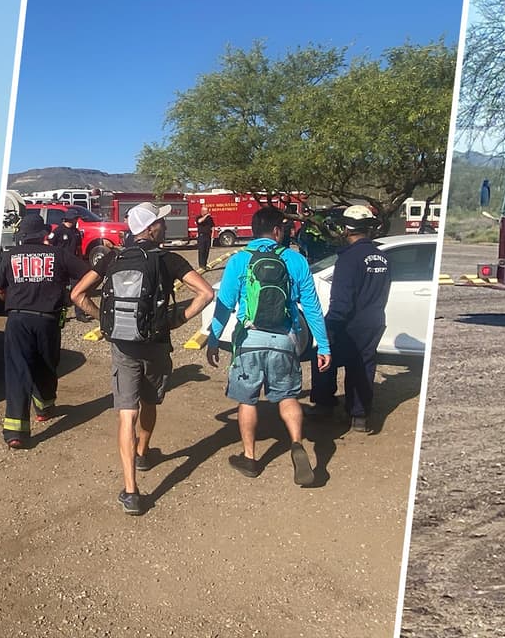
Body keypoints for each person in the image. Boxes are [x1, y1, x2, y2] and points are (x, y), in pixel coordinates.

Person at [71, 202, 215, 516]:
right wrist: (176, 320)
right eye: (160, 223)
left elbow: (77, 295)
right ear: (150, 229)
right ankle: (143, 451)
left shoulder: (113, 257)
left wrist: (104, 323)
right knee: (149, 403)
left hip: (122, 345)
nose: (164, 226)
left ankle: (131, 491)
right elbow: (206, 292)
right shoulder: (167, 259)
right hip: (156, 343)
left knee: (126, 414)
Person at [205, 206, 331, 487]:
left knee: (247, 400)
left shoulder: (239, 260)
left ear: (253, 230)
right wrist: (323, 345)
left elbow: (223, 305)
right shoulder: (295, 260)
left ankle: (250, 458)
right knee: (288, 397)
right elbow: (311, 307)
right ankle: (297, 444)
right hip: (285, 340)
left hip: (249, 340)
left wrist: (213, 339)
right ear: (277, 231)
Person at [0, 214, 93, 449]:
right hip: (47, 320)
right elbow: (89, 273)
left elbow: (0, 289)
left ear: (22, 236)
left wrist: (13, 301)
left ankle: (15, 432)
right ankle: (45, 407)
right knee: (47, 365)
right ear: (44, 234)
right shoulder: (58, 255)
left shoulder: (10, 256)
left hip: (18, 319)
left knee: (18, 371)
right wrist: (74, 294)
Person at [307, 205, 391, 433]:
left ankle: (324, 405)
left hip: (348, 323)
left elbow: (342, 300)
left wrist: (329, 325)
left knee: (323, 358)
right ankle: (359, 416)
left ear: (346, 228)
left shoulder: (348, 259)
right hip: (374, 321)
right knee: (362, 365)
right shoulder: (382, 258)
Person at [48, 208, 88, 321]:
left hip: (73, 264)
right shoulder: (58, 231)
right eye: (76, 218)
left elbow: (79, 248)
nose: (77, 220)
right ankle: (61, 315)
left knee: (79, 289)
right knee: (61, 291)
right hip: (61, 265)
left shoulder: (76, 232)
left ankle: (80, 314)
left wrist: (80, 261)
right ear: (70, 219)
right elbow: (48, 244)